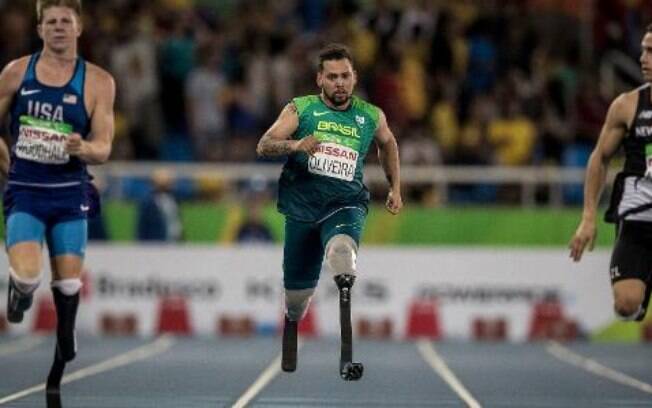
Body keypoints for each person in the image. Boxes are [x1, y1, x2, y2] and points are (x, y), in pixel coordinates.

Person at [256, 43, 402, 378]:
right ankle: (292, 320)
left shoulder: (370, 115)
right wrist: (295, 144)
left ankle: (345, 284)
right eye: (332, 76)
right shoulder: (300, 109)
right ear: (319, 78)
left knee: (341, 251)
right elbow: (264, 145)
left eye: (345, 76)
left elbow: (388, 143)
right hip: (302, 209)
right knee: (297, 297)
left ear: (354, 78)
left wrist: (395, 188)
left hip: (345, 204)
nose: (339, 83)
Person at [0, 0, 115, 388]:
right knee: (28, 276)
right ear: (40, 30)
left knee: (67, 284)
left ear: (79, 28)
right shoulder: (17, 73)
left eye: (66, 21)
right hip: (27, 190)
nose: (59, 27)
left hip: (69, 194)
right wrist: (5, 159)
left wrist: (82, 148)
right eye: (51, 21)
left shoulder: (98, 81)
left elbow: (104, 147)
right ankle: (20, 293)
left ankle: (64, 343)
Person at [569, 24, 652, 323]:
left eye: (651, 52)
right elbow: (599, 158)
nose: (643, 58)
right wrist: (588, 217)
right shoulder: (627, 105)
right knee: (626, 304)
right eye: (643, 49)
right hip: (638, 220)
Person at [136, 168, 182, 242]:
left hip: (174, 241)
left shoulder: (174, 199)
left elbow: (177, 221)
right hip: (155, 244)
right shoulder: (148, 203)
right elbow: (141, 228)